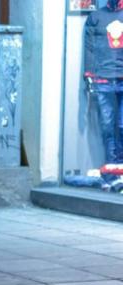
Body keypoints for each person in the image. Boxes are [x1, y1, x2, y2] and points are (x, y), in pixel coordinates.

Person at [83, 0, 123, 164]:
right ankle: (112, 164)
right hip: (103, 78)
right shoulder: (95, 17)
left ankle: (120, 163)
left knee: (121, 125)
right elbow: (89, 47)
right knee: (107, 126)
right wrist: (88, 73)